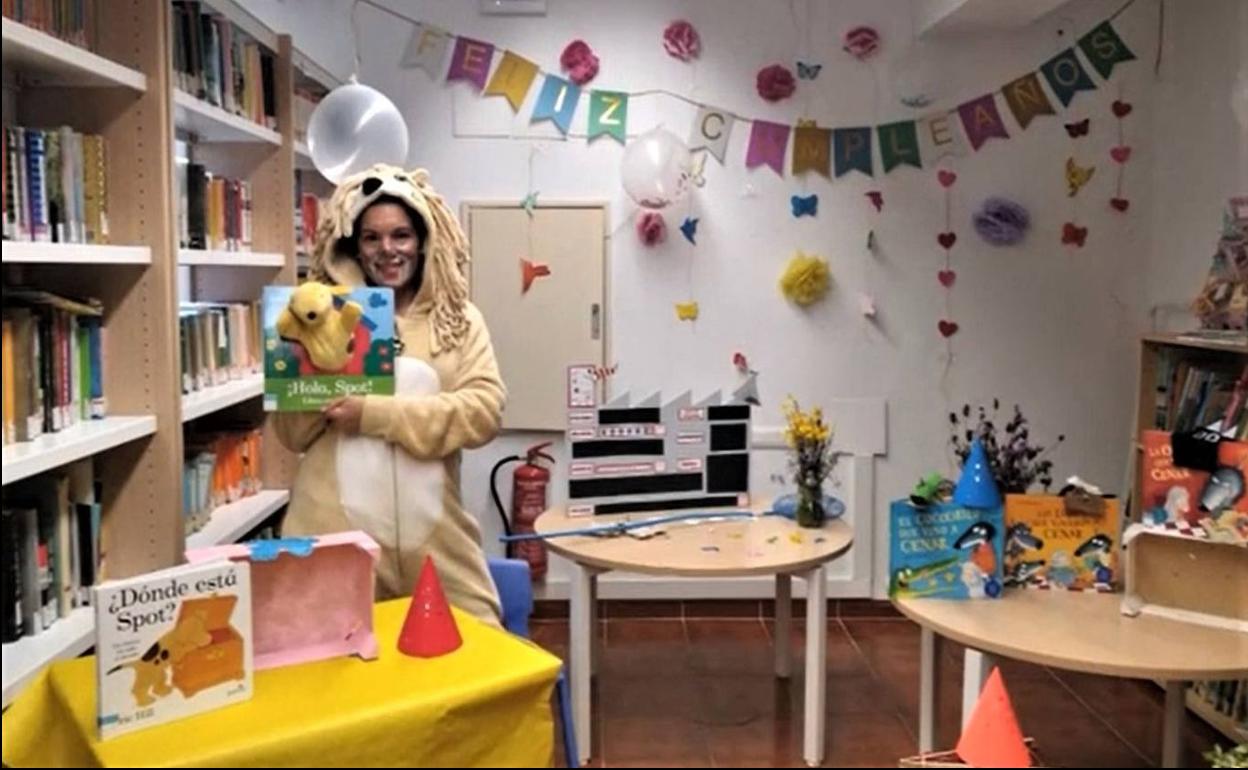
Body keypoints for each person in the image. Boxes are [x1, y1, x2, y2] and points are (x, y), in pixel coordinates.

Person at [274, 164, 504, 625]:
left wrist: (373, 415)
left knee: (483, 648)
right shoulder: (313, 314)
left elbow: (484, 411)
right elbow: (291, 435)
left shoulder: (459, 320)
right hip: (333, 534)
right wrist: (319, 366)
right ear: (353, 246)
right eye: (372, 237)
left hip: (436, 538)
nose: (388, 249)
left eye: (401, 235)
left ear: (422, 240)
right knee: (330, 665)